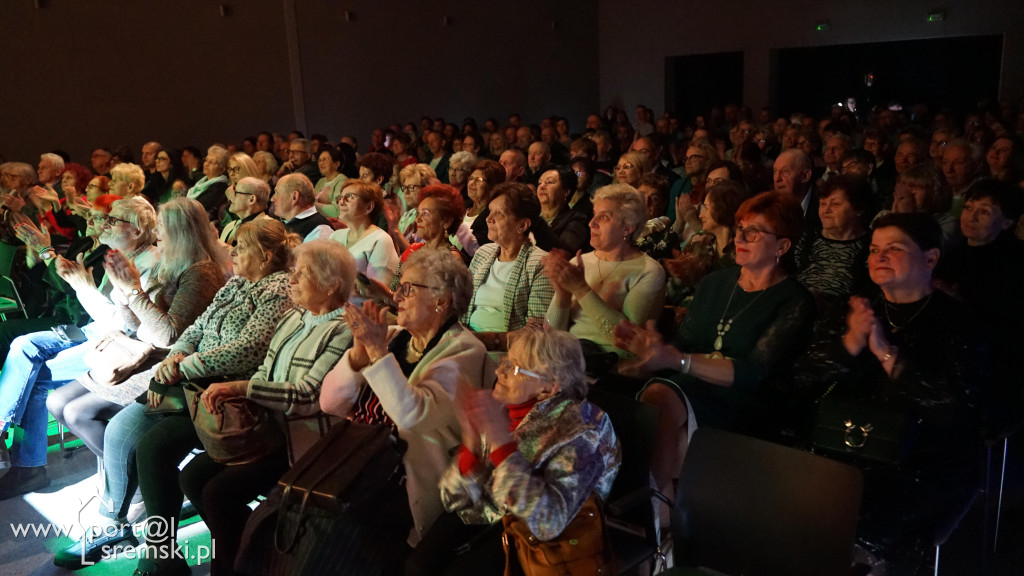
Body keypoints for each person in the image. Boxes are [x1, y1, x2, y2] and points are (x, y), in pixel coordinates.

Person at [168, 240, 356, 576]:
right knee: (193, 478)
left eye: (303, 274)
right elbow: (265, 369)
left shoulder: (343, 330)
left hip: (305, 442)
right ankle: (251, 551)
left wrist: (241, 387)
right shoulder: (294, 317)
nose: (292, 280)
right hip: (267, 430)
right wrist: (240, 395)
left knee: (218, 493)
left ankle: (232, 565)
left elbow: (307, 395)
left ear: (331, 284)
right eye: (294, 271)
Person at [613, 191, 815, 499]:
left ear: (783, 246)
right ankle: (660, 515)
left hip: (742, 400)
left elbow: (754, 373)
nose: (740, 237)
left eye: (753, 231)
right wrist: (648, 353)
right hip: (690, 388)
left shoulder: (794, 300)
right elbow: (683, 345)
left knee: (660, 397)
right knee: (642, 406)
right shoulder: (715, 283)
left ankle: (645, 510)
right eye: (739, 228)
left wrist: (679, 361)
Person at [308, 248, 487, 574]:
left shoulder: (465, 351)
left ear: (442, 301)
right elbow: (330, 404)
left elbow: (413, 417)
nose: (397, 295)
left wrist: (377, 352)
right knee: (299, 515)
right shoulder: (391, 336)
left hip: (408, 482)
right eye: (399, 287)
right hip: (361, 465)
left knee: (330, 540)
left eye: (409, 288)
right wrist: (359, 356)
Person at [830, 212, 984, 573]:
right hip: (848, 444)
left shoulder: (960, 324)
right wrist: (850, 343)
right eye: (874, 249)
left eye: (894, 248)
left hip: (923, 461)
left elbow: (954, 409)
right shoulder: (857, 310)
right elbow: (803, 380)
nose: (878, 257)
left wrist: (887, 354)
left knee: (860, 537)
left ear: (930, 259)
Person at [408, 329, 621, 575]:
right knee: (416, 565)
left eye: (515, 368)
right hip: (490, 517)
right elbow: (452, 500)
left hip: (538, 543)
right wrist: (471, 447)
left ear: (548, 388)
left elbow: (548, 522)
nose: (499, 371)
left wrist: (500, 444)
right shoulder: (504, 410)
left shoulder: (584, 432)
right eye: (505, 361)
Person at [0, 196, 163, 498]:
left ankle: (29, 467)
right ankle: (12, 442)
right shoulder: (117, 254)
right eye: (106, 218)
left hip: (118, 347)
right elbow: (86, 302)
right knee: (22, 344)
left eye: (113, 220)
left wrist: (82, 286)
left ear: (138, 230)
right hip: (92, 331)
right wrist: (66, 272)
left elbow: (126, 326)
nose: (104, 224)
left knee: (32, 375)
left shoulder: (148, 263)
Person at [935, 179, 1024, 431]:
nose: (970, 217)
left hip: (992, 366)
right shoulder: (954, 255)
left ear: (1007, 222)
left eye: (983, 212)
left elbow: (1007, 323)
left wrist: (957, 300)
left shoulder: (1016, 262)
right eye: (968, 207)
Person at [543, 185, 666, 361]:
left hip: (610, 367)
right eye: (594, 215)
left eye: (604, 217)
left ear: (628, 227)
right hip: (567, 359)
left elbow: (628, 343)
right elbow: (552, 334)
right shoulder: (579, 263)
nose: (591, 223)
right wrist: (562, 295)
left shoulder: (649, 271)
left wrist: (580, 288)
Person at [1, 195, 117, 364]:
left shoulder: (110, 255)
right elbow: (52, 284)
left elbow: (70, 286)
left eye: (97, 217)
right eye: (88, 215)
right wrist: (35, 254)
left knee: (4, 333)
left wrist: (45, 250)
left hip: (78, 324)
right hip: (59, 314)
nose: (89, 222)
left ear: (112, 224)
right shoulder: (83, 244)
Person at [464, 183, 555, 351]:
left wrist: (486, 340)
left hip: (509, 353)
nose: (488, 219)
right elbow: (462, 303)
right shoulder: (483, 253)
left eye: (499, 214)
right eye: (490, 211)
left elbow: (538, 329)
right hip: (469, 344)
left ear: (522, 225)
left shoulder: (540, 263)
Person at [794, 175, 874, 303]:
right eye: (823, 203)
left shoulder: (872, 246)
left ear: (858, 209)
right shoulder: (805, 240)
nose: (826, 210)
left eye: (835, 204)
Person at [329, 180, 399, 303]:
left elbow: (379, 295)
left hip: (360, 312)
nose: (341, 202)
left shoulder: (380, 240)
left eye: (349, 197)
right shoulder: (335, 236)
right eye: (340, 198)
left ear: (369, 207)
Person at [537, 166, 590, 254]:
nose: (542, 186)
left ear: (566, 191)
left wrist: (537, 224)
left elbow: (563, 251)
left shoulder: (577, 220)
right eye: (539, 183)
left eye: (550, 182)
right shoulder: (528, 215)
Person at [272, 173, 334, 242]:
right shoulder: (281, 224)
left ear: (294, 197)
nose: (272, 199)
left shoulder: (319, 229)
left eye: (277, 193)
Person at [219, 177, 272, 246]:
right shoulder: (230, 226)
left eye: (236, 193)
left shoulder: (267, 229)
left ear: (251, 199)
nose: (231, 197)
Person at [185, 146, 231, 221]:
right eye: (206, 160)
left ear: (223, 169)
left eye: (212, 162)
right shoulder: (201, 182)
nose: (206, 164)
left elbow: (197, 207)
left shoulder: (220, 187)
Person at [313, 146, 348, 218]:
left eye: (325, 160)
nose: (321, 163)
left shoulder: (342, 181)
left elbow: (337, 211)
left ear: (337, 164)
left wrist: (314, 204)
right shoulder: (321, 181)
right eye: (319, 160)